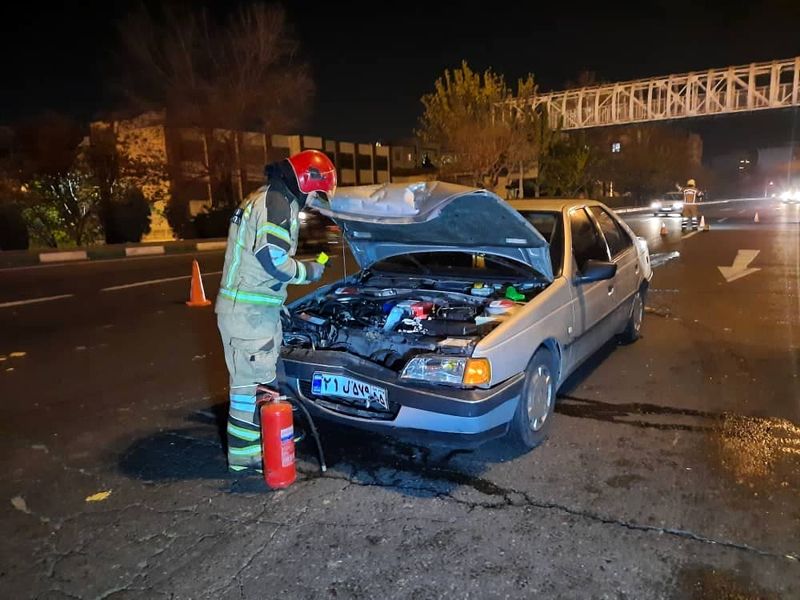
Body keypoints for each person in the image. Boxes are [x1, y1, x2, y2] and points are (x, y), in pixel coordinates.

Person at [215, 150, 337, 473]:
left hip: (247, 311)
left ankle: (247, 452)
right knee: (258, 386)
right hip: (250, 315)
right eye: (317, 193)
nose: (315, 201)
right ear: (307, 182)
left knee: (246, 388)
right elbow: (273, 258)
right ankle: (257, 452)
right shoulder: (278, 202)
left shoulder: (266, 197)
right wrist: (307, 272)